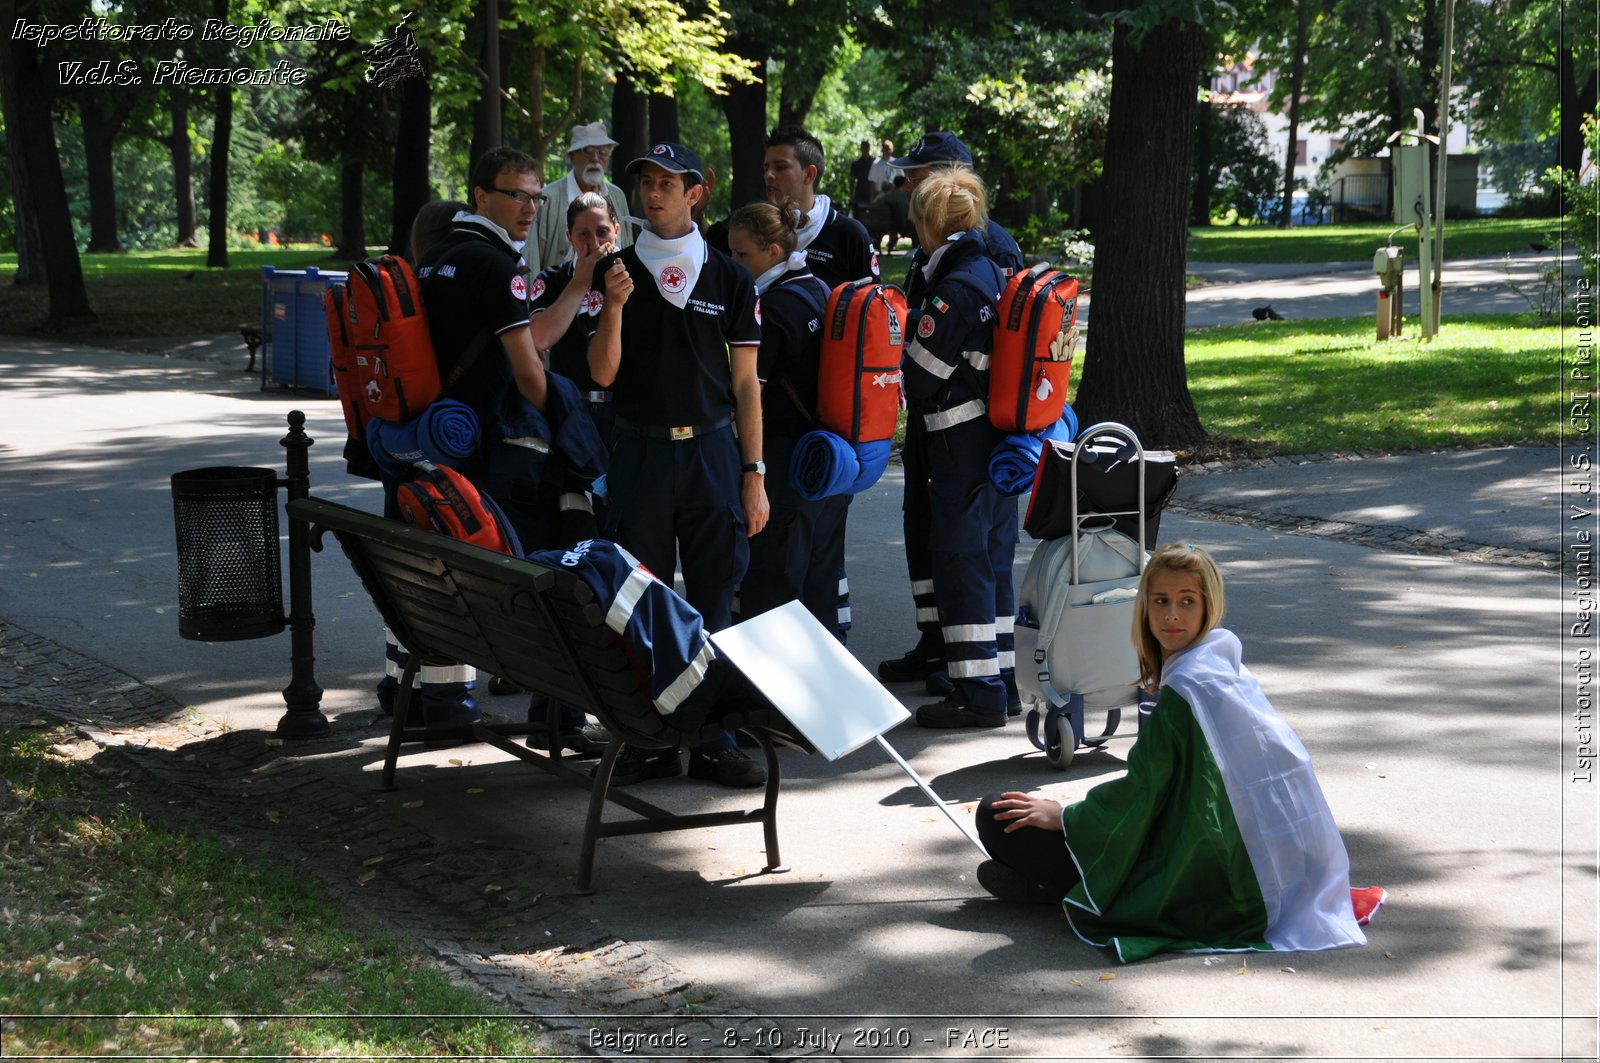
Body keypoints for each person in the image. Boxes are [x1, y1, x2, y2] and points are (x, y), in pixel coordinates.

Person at [975, 543, 1385, 964]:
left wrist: (1064, 816)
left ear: (1209, 607)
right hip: (1293, 875)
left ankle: (1067, 891)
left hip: (1214, 880)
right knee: (1025, 823)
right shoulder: (1224, 668)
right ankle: (1052, 886)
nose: (1172, 614)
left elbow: (1143, 796)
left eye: (1187, 602)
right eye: (1161, 601)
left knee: (994, 814)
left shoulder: (1186, 690)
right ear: (1145, 607)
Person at [586, 140, 769, 788]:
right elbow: (602, 372)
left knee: (716, 592)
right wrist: (611, 305)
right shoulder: (618, 269)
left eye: (668, 182)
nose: (654, 192)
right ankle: (653, 737)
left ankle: (714, 736)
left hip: (713, 450)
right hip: (639, 448)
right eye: (646, 182)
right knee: (644, 597)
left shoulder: (729, 276)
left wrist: (755, 472)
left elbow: (747, 384)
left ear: (696, 192)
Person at [876, 132, 1026, 702]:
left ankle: (975, 691)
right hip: (993, 435)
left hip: (958, 439)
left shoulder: (958, 283)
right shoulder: (987, 268)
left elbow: (921, 372)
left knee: (963, 559)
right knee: (992, 558)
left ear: (931, 222)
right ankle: (1001, 678)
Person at [724, 199, 842, 638]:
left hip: (783, 461)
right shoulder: (817, 288)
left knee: (773, 583)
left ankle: (769, 702)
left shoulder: (770, 311)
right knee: (819, 584)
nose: (735, 264)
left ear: (773, 251)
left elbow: (748, 389)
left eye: (742, 255)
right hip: (826, 459)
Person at [524, 121, 632, 275]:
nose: (595, 159)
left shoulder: (617, 196)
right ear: (572, 156)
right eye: (587, 151)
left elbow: (627, 248)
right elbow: (532, 257)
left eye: (602, 152)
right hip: (562, 295)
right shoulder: (548, 198)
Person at [872, 175, 910, 256]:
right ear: (904, 184)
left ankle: (886, 247)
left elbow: (877, 202)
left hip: (889, 224)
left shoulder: (889, 195)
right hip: (904, 225)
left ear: (894, 183)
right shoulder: (905, 195)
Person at [848, 139, 874, 218]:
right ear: (861, 149)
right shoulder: (856, 164)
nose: (864, 150)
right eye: (863, 148)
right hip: (859, 192)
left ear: (869, 148)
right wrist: (851, 194)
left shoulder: (874, 162)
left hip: (871, 192)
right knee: (859, 214)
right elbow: (852, 180)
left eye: (866, 148)